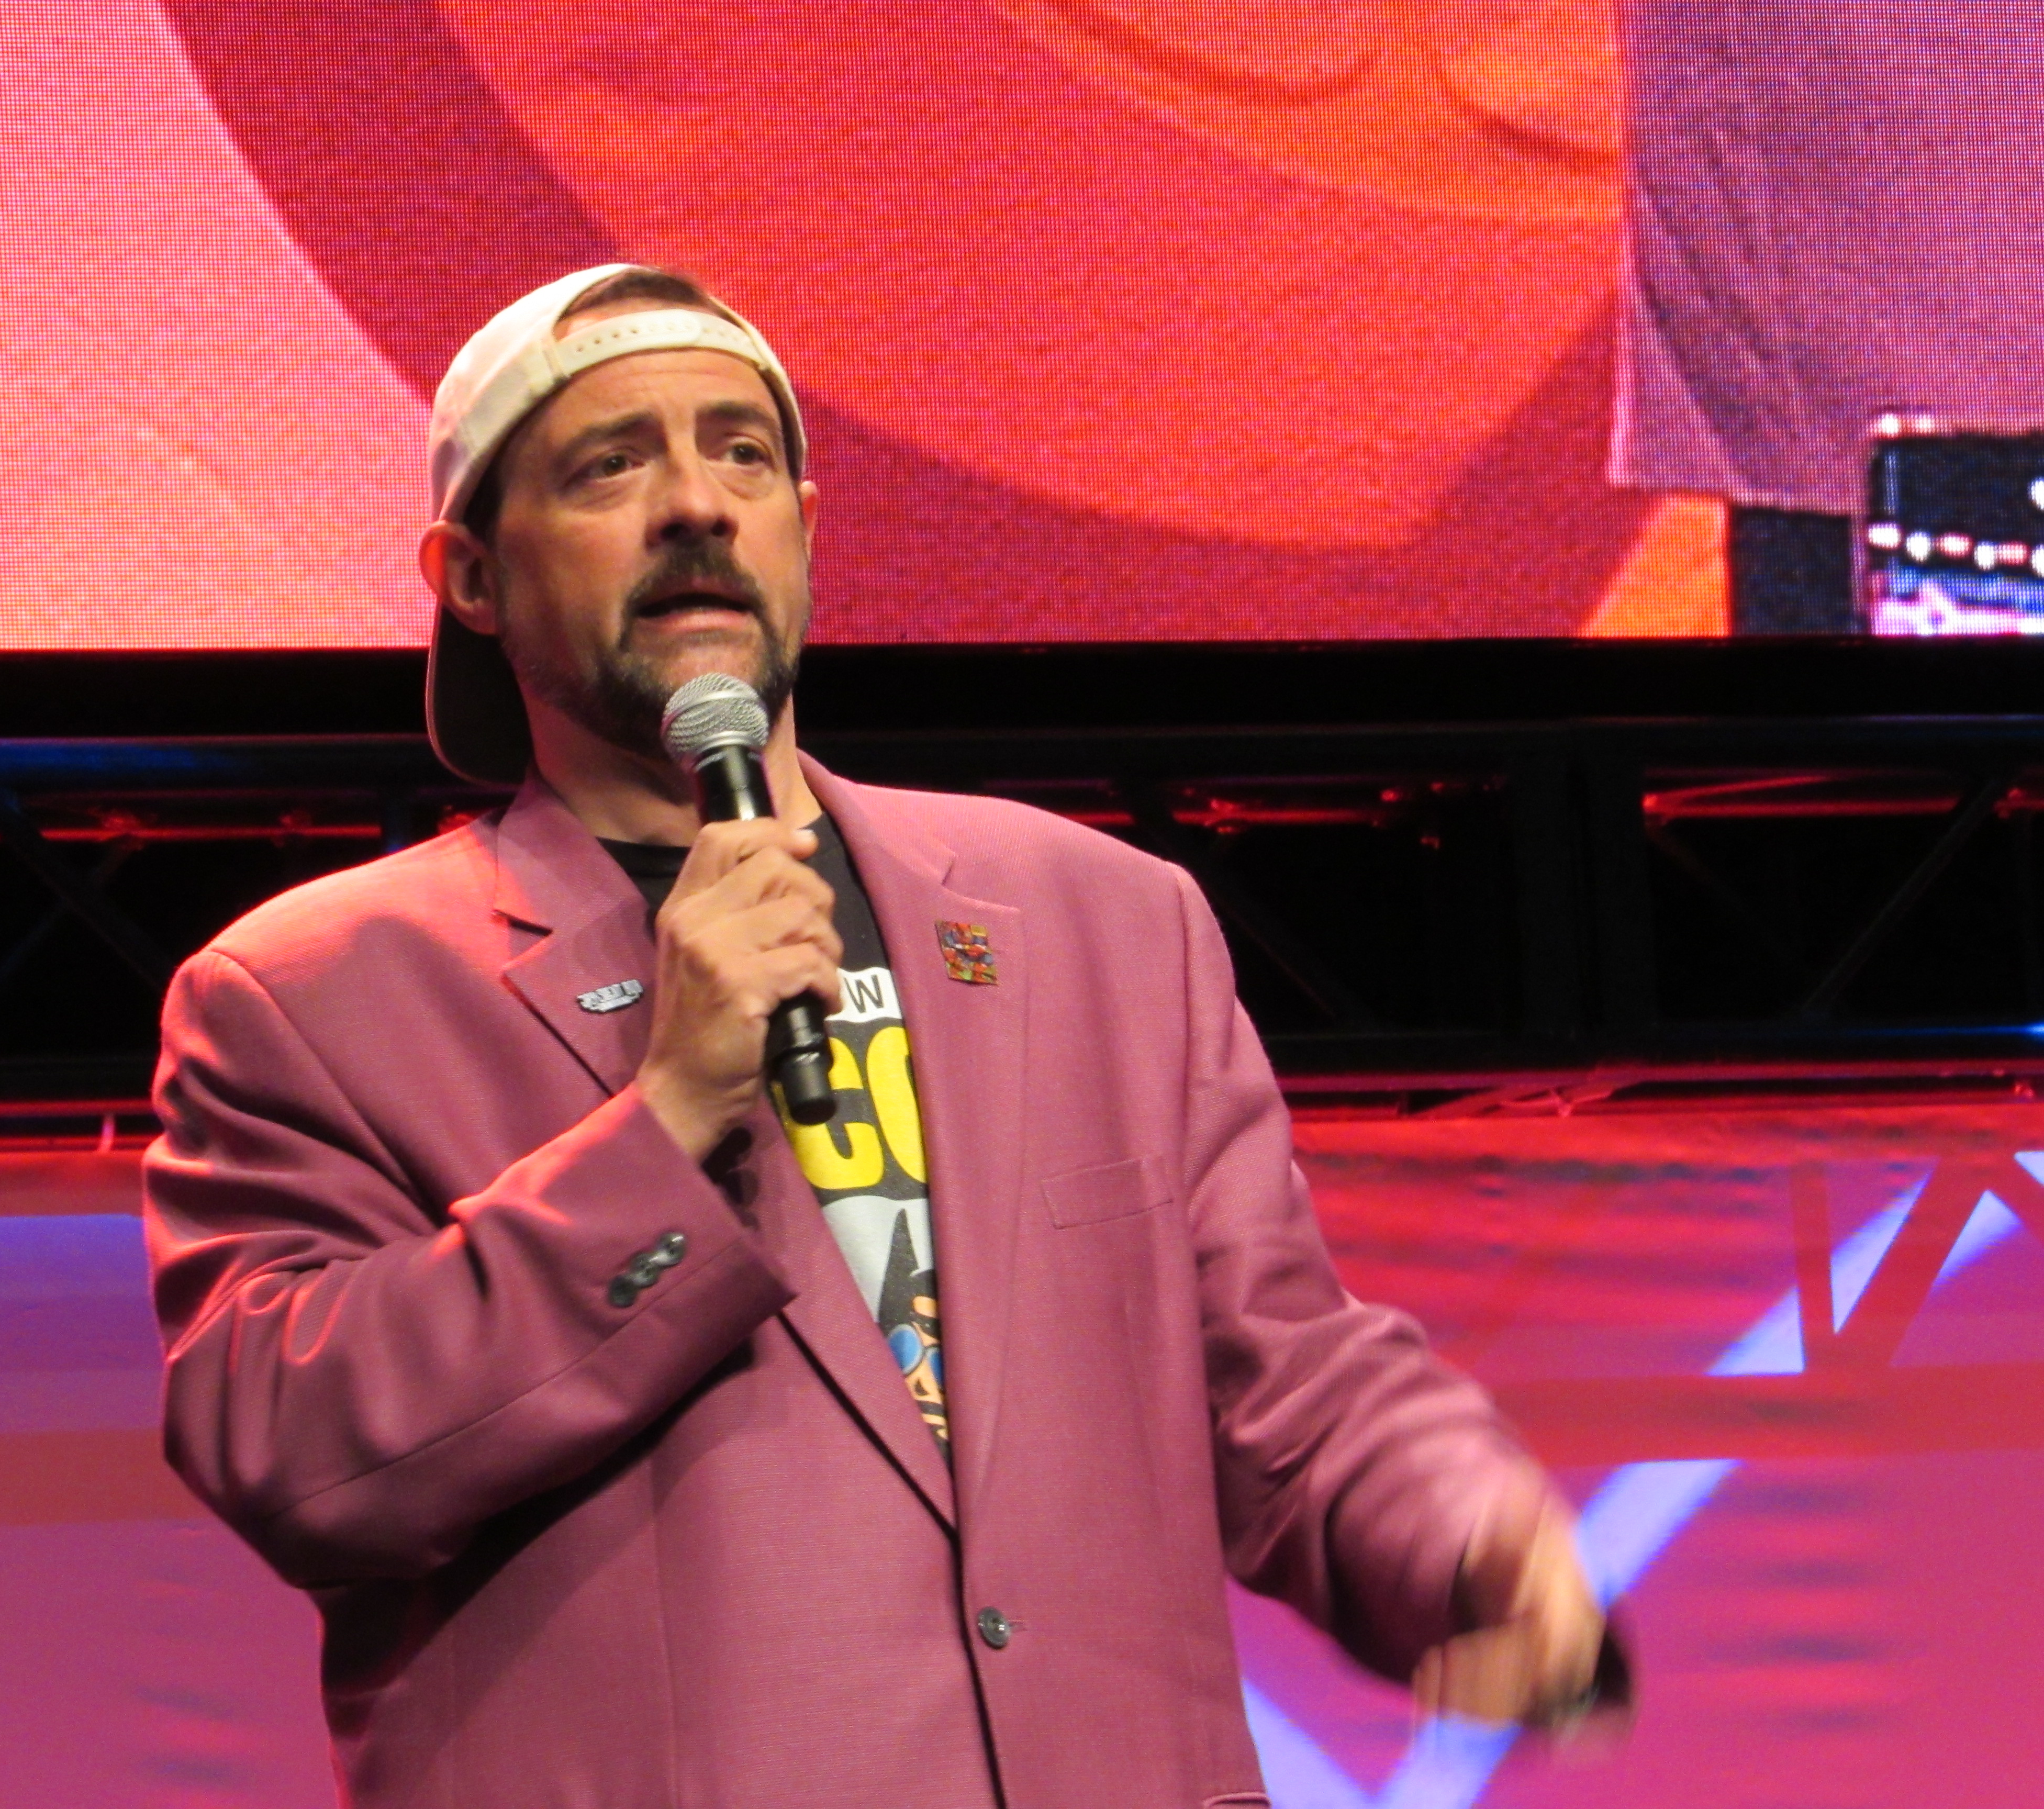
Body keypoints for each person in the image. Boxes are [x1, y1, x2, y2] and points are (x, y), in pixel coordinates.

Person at [142, 264, 1617, 1807]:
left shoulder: (1103, 922)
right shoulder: (315, 992)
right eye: (610, 466)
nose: (696, 506)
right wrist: (664, 1118)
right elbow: (295, 1452)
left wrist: (1455, 1531)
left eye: (741, 454)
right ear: (471, 579)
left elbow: (1282, 1372)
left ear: (803, 529)